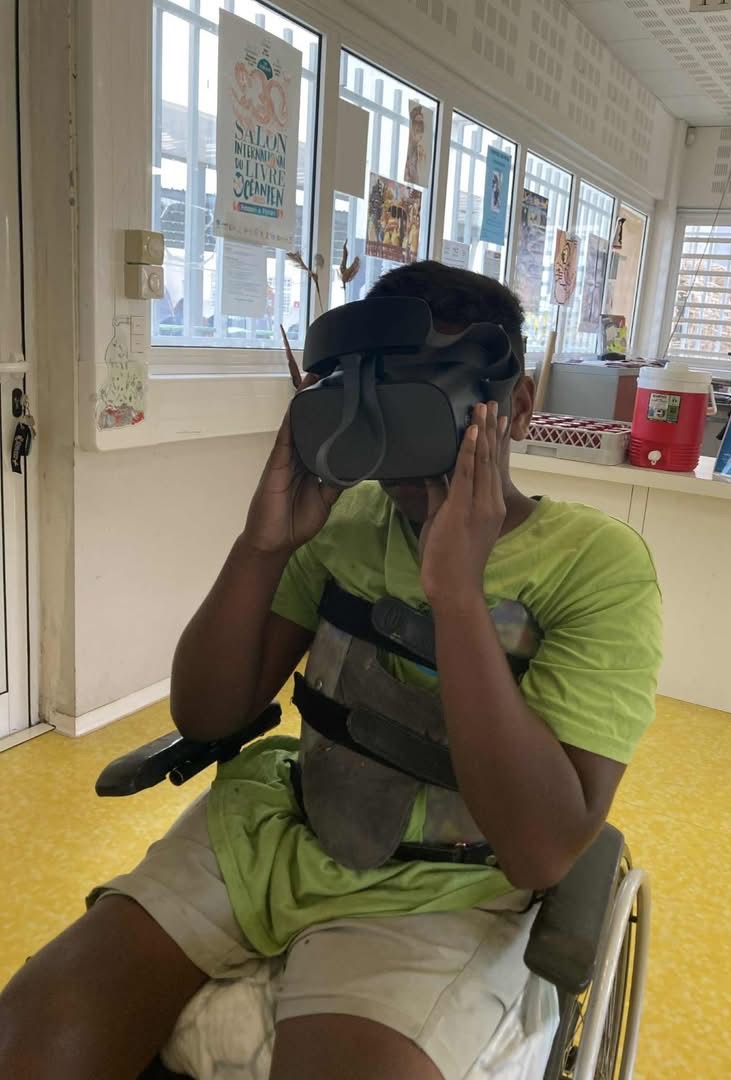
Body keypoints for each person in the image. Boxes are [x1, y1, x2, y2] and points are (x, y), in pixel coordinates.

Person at [0, 262, 662, 1080]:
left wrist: (458, 595)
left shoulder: (598, 567)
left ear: (516, 405)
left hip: (443, 886)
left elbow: (538, 852)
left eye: (426, 404)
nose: (398, 450)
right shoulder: (348, 519)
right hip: (278, 827)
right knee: (29, 1044)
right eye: (374, 404)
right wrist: (263, 546)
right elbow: (207, 715)